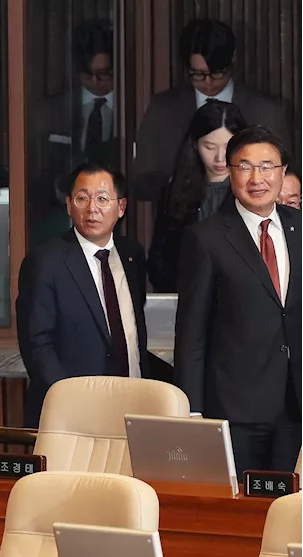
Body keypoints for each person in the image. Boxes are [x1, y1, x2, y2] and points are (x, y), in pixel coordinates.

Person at [175, 126, 303, 474]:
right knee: (241, 511)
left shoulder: (298, 227)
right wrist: (193, 410)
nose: (257, 177)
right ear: (230, 173)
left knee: (285, 508)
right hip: (236, 408)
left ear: (282, 173)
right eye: (245, 167)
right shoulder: (206, 238)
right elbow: (191, 335)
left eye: (267, 166)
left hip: (294, 404)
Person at [17, 163, 149, 428]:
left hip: (132, 403)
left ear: (120, 207)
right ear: (68, 205)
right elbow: (37, 345)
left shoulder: (131, 254)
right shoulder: (45, 261)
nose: (92, 209)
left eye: (102, 198)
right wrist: (73, 404)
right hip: (72, 413)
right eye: (82, 199)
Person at [132, 18, 287, 202]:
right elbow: (142, 180)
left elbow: (288, 178)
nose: (208, 82)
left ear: (232, 61)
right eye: (198, 74)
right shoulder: (164, 108)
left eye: (216, 72)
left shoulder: (266, 110)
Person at [148, 101, 247, 294]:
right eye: (210, 147)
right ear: (195, 144)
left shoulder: (254, 190)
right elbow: (158, 261)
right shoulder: (174, 192)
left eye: (228, 147)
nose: (220, 157)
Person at [31, 20, 116, 213]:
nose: (95, 82)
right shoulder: (54, 110)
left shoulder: (133, 108)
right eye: (87, 74)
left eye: (104, 74)